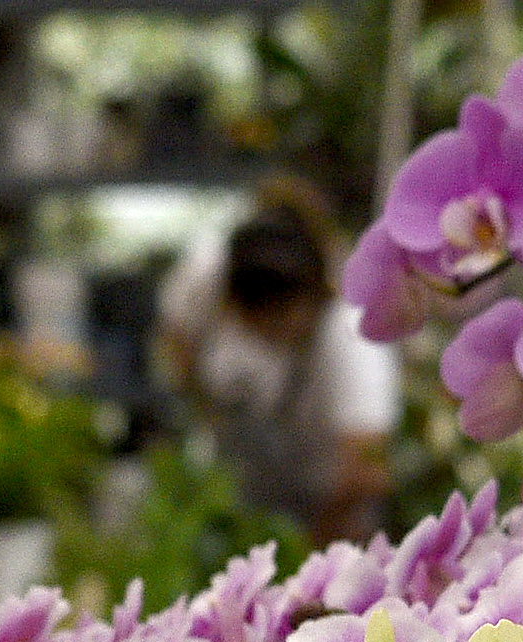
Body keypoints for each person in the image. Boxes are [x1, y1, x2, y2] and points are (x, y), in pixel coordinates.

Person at [155, 182, 397, 538]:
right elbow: (177, 341)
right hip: (241, 496)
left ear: (312, 296)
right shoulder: (206, 276)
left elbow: (366, 470)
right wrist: (203, 405)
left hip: (327, 507)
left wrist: (310, 556)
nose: (268, 332)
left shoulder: (351, 333)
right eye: (255, 320)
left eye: (280, 318)